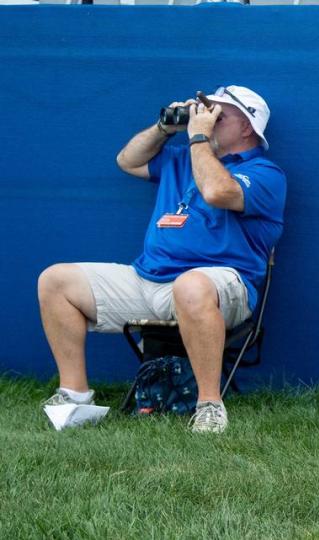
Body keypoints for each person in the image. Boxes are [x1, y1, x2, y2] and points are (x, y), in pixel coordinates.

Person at [37, 85, 286, 434]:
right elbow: (128, 161)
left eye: (219, 114)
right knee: (56, 280)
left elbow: (217, 192)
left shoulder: (265, 173)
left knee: (192, 285)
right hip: (149, 279)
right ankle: (74, 397)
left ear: (247, 128)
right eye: (205, 111)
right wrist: (164, 128)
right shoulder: (181, 157)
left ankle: (209, 406)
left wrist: (199, 139)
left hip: (220, 287)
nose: (207, 119)